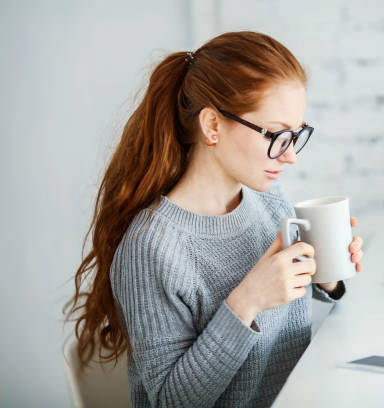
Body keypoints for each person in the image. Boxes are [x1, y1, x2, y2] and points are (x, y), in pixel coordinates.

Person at [64, 31, 364, 407]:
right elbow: (171, 402)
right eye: (276, 135)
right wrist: (246, 302)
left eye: (295, 135)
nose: (290, 156)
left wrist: (327, 276)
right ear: (212, 126)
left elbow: (290, 330)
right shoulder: (151, 247)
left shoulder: (268, 200)